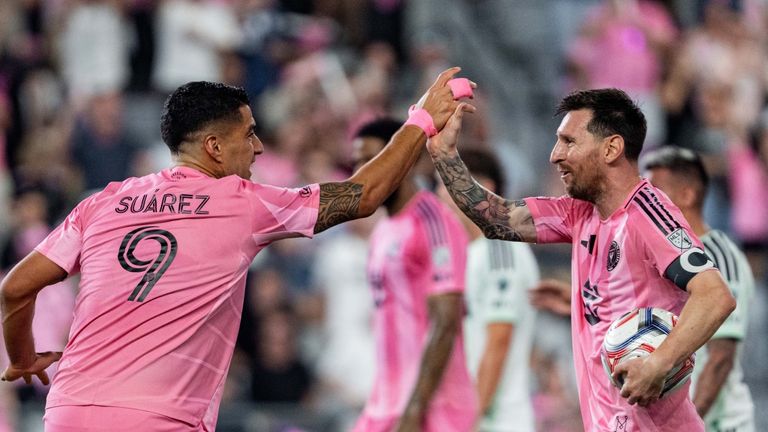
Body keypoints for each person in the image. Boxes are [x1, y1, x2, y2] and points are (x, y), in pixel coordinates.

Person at [0, 67, 474, 431]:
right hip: (160, 420)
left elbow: (15, 288)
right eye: (248, 134)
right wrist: (421, 120)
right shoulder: (242, 203)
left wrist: (21, 359)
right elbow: (363, 195)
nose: (260, 147)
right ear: (214, 147)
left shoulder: (103, 202)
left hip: (68, 412)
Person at [428, 88, 736, 431]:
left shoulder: (649, 214)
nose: (555, 155)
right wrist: (444, 154)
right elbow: (497, 219)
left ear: (611, 148)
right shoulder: (578, 214)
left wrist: (659, 362)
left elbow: (715, 295)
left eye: (569, 141)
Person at [350, 118, 478, 432]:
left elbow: (445, 322)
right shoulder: (381, 231)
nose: (363, 173)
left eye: (372, 160)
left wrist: (414, 412)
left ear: (402, 160)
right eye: (358, 163)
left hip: (433, 411)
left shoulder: (434, 221)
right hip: (384, 405)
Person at [642, 147, 755, 432]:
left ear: (687, 195)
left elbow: (720, 359)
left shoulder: (718, 257)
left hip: (719, 423)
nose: (644, 204)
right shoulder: (668, 258)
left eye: (654, 194)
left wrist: (689, 425)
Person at [436, 148, 539, 432]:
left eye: (446, 184)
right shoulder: (470, 254)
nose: (439, 196)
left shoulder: (500, 249)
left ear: (483, 188)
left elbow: (499, 339)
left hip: (498, 422)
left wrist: (471, 421)